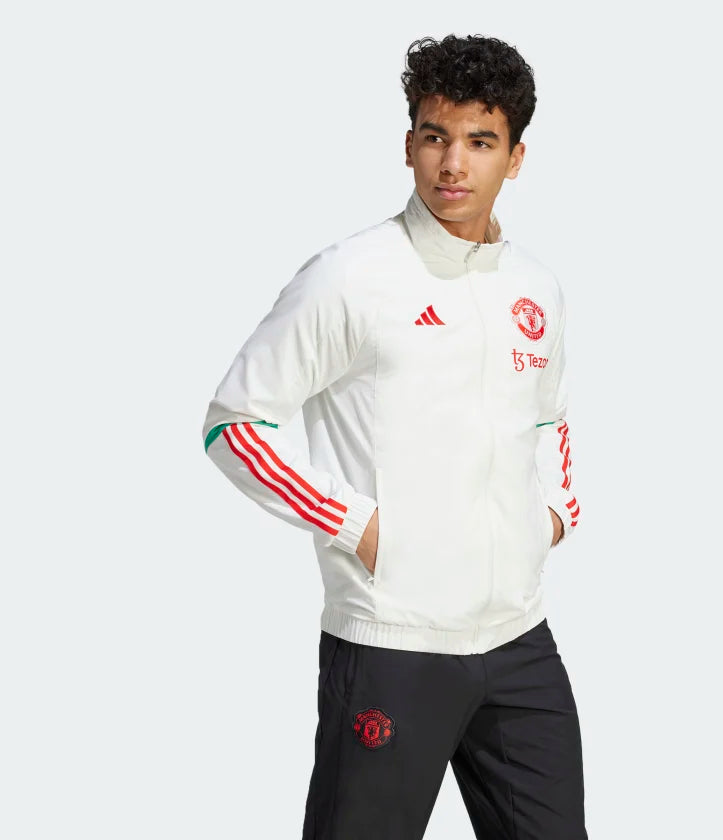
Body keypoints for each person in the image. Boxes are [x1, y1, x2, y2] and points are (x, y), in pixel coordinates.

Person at [202, 33, 587, 840]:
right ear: (409, 144)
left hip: (519, 640)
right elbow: (235, 423)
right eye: (435, 137)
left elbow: (548, 415)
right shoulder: (351, 277)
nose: (454, 163)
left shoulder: (535, 287)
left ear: (515, 158)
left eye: (480, 141)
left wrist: (553, 515)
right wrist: (360, 527)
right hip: (393, 642)